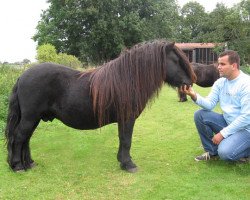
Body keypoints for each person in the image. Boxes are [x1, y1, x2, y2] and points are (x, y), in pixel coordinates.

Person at [181, 50, 250, 162]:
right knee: (200, 115)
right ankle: (212, 152)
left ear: (234, 66)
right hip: (229, 122)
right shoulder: (220, 82)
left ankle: (245, 150)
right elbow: (209, 105)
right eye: (218, 64)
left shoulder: (246, 84)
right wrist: (194, 96)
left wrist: (222, 134)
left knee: (225, 152)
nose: (218, 67)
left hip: (246, 129)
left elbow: (247, 118)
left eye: (222, 64)